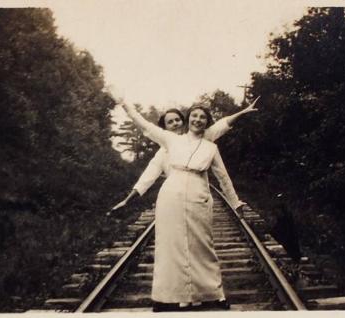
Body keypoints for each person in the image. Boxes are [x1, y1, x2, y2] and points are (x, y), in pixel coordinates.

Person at [120, 102, 256, 311]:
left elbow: (223, 177)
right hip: (171, 195)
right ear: (188, 118)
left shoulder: (211, 146)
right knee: (171, 246)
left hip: (198, 194)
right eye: (194, 116)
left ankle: (213, 294)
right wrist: (126, 106)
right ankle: (168, 298)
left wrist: (235, 202)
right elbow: (145, 125)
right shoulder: (172, 140)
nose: (197, 120)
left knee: (202, 245)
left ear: (206, 122)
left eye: (202, 117)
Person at [111, 97, 259, 213]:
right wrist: (127, 200)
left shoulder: (206, 139)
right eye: (170, 122)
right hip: (173, 195)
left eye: (177, 120)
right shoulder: (167, 144)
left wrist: (242, 113)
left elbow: (221, 126)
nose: (175, 124)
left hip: (198, 197)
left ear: (184, 121)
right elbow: (147, 177)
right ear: (164, 128)